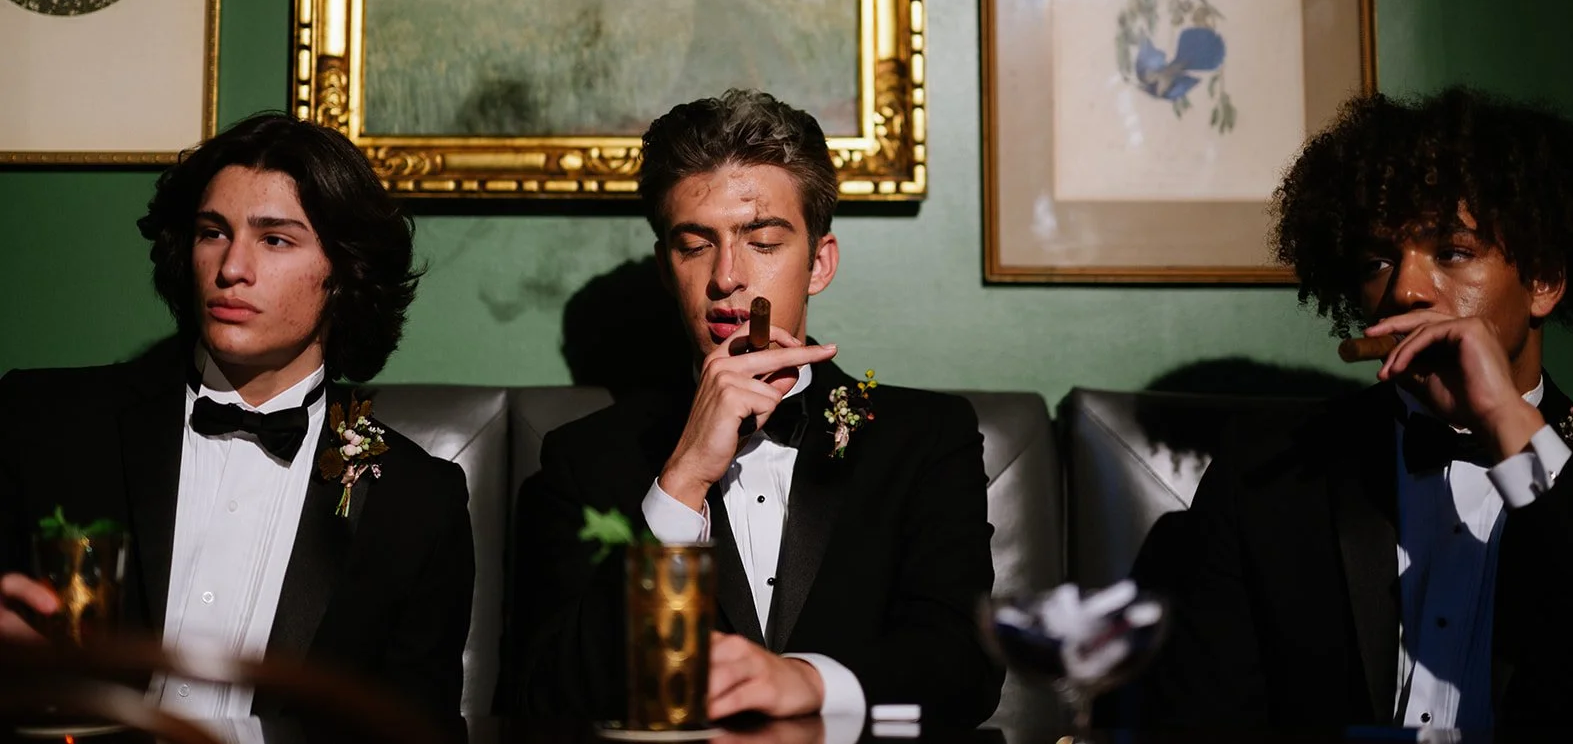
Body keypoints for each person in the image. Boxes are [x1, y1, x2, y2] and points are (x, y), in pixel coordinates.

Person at [503, 89, 1001, 726]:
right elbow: (544, 700)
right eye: (695, 245)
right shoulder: (584, 458)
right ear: (667, 268)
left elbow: (966, 667)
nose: (726, 278)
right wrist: (681, 484)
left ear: (818, 263)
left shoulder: (925, 438)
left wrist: (807, 682)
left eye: (762, 242)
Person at [1150, 87, 1573, 730]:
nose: (1406, 288)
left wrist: (1506, 420)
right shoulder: (1268, 472)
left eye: (1451, 251)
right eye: (1377, 260)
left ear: (1543, 282)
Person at [0, 113, 473, 722]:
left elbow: (422, 734)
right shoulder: (43, 422)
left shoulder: (417, 503)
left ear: (343, 273)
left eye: (275, 239)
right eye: (213, 232)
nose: (231, 269)